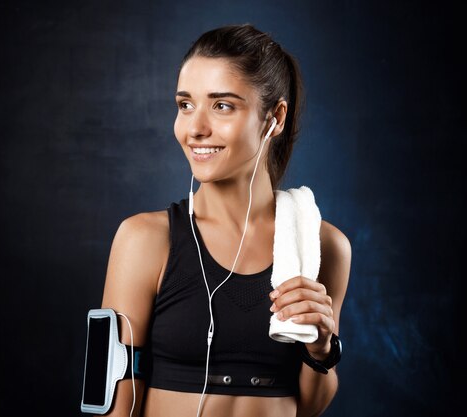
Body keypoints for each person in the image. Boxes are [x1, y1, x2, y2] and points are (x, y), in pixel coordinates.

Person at [98, 23, 351, 417]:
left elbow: (308, 406)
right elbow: (113, 401)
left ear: (275, 117)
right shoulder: (144, 240)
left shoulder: (323, 247)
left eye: (222, 105)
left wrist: (321, 349)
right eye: (185, 105)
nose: (195, 129)